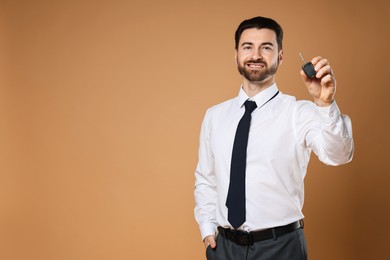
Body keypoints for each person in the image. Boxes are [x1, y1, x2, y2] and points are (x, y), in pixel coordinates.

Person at [194, 16, 354, 260]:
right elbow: (206, 178)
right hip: (224, 249)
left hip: (281, 248)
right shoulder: (215, 116)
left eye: (266, 47)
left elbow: (339, 155)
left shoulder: (300, 112)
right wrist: (207, 229)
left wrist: (325, 104)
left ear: (280, 56)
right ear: (236, 54)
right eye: (248, 46)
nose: (256, 55)